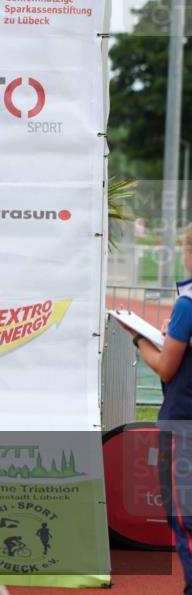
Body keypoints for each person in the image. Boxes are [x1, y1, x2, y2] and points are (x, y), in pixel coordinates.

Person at [127, 223, 192, 595]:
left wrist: (138, 338)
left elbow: (166, 366)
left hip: (182, 422)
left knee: (184, 517)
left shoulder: (187, 303)